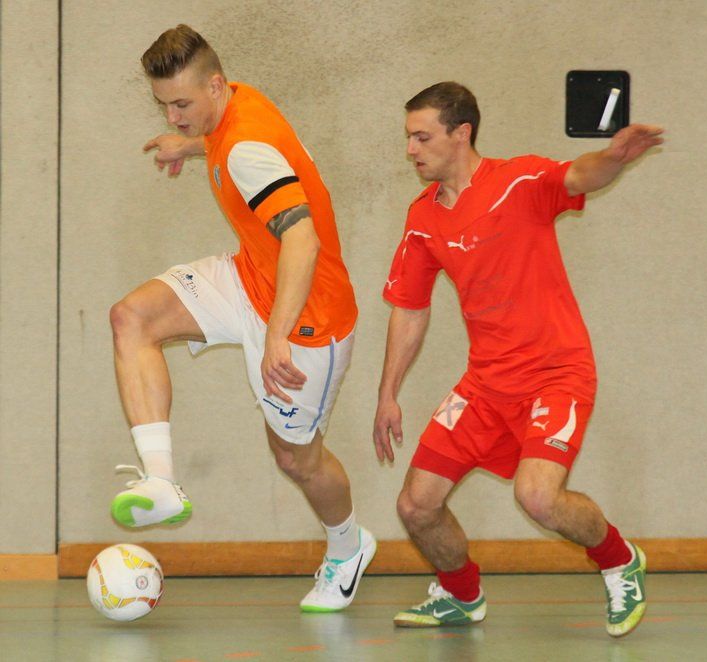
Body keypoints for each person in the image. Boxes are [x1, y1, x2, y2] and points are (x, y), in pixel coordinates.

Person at [373, 82, 663, 636]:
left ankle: (620, 560)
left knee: (538, 498)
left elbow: (579, 175)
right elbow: (409, 310)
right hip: (485, 384)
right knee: (416, 506)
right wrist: (388, 394)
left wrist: (614, 157)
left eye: (422, 137)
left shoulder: (519, 181)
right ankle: (461, 595)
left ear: (462, 133)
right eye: (408, 137)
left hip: (557, 373)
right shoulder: (423, 218)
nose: (411, 150)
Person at [109, 24, 375, 612]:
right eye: (164, 105)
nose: (173, 116)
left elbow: (302, 240)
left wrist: (276, 334)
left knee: (297, 459)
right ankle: (160, 480)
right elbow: (228, 137)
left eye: (182, 105)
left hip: (307, 319)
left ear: (214, 85)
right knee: (132, 318)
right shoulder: (235, 103)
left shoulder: (247, 151)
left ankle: (348, 546)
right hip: (249, 276)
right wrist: (189, 144)